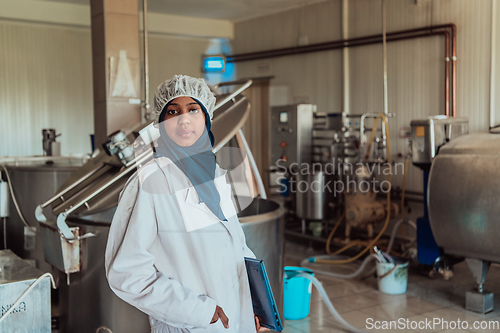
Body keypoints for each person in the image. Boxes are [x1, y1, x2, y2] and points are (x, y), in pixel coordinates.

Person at [105, 75, 269, 333]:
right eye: (173, 112)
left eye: (193, 110)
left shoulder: (214, 175)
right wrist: (200, 311)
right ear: (161, 123)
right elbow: (128, 274)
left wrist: (253, 307)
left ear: (206, 118)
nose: (184, 119)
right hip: (189, 326)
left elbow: (235, 245)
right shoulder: (150, 183)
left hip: (236, 322)